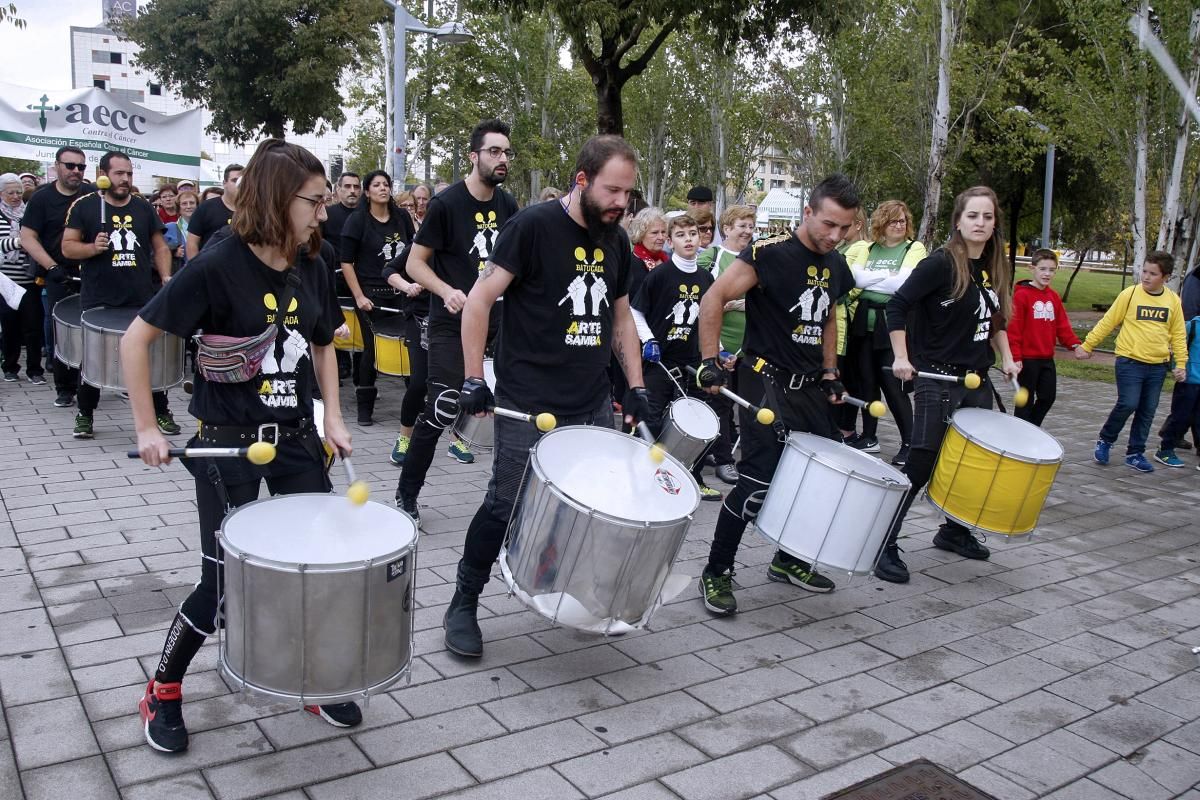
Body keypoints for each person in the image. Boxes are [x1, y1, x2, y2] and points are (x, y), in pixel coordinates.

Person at [124, 139, 356, 753]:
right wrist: (148, 427)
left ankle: (309, 676)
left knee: (315, 566)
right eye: (313, 201)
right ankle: (164, 689)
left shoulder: (315, 258)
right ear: (280, 200)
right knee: (223, 581)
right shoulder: (216, 265)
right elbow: (134, 340)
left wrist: (332, 415)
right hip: (227, 447)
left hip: (299, 443)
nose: (323, 213)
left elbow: (324, 339)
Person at [445, 134, 650, 657]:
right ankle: (463, 602)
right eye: (611, 191)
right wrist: (474, 379)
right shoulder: (531, 228)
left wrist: (637, 386)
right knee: (505, 501)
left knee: (587, 500)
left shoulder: (617, 239)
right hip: (527, 400)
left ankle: (562, 580)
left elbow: (621, 316)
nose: (620, 204)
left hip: (591, 399)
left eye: (627, 194)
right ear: (582, 180)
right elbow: (479, 300)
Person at [694, 175, 861, 615]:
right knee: (757, 482)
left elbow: (826, 318)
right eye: (828, 224)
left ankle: (788, 559)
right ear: (808, 213)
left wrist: (831, 372)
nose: (835, 236)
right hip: (764, 382)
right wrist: (709, 360)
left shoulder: (836, 264)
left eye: (844, 228)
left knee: (813, 480)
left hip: (809, 387)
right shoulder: (768, 254)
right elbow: (713, 297)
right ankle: (716, 571)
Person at [876, 186, 1018, 584]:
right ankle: (884, 542)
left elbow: (994, 319)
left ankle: (953, 530)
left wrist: (1006, 356)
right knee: (921, 462)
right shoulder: (940, 263)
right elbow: (897, 305)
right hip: (937, 378)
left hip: (976, 379)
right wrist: (901, 357)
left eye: (987, 217)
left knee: (969, 464)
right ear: (958, 220)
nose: (981, 223)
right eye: (973, 216)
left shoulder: (992, 265)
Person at [395, 119, 519, 517]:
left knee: (508, 412)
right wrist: (446, 290)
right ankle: (407, 494)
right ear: (473, 155)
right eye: (494, 152)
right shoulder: (446, 205)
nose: (502, 160)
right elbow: (415, 263)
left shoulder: (509, 205)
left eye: (506, 153)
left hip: (499, 325)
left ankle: (505, 499)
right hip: (451, 323)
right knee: (443, 407)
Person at [60, 151, 178, 439]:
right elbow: (67, 247)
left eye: (129, 174)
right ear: (104, 174)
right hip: (98, 296)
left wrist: (165, 276)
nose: (125, 179)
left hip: (139, 296)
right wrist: (91, 248)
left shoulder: (142, 207)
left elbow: (160, 247)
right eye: (119, 173)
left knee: (151, 355)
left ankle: (161, 411)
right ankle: (85, 414)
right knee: (93, 357)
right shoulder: (85, 206)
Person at [632, 213, 721, 500]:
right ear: (671, 241)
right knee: (653, 418)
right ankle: (642, 475)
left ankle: (692, 477)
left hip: (692, 362)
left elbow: (710, 319)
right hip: (660, 361)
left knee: (695, 422)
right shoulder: (659, 275)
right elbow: (635, 312)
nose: (689, 240)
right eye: (681, 235)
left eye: (693, 234)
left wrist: (717, 350)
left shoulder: (707, 278)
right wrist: (648, 340)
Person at [1077, 251, 1187, 473]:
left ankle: (1135, 453)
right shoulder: (1130, 295)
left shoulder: (1173, 300)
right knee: (1128, 403)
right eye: (1144, 271)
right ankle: (1105, 440)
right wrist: (1087, 345)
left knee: (1147, 410)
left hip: (1157, 366)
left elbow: (1178, 334)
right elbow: (1108, 321)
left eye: (1152, 273)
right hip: (1129, 362)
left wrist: (1181, 363)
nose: (1146, 277)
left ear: (1165, 277)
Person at [843, 201, 927, 465]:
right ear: (882, 223)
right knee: (866, 381)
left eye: (903, 221)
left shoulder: (914, 247)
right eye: (894, 221)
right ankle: (869, 436)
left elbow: (904, 283)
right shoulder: (869, 248)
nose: (899, 226)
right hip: (863, 324)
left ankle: (910, 442)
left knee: (893, 385)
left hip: (892, 326)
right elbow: (853, 279)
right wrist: (886, 277)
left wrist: (870, 277)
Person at [339, 169, 415, 424]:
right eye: (376, 185)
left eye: (386, 184)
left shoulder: (402, 217)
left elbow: (414, 252)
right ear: (367, 191)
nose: (383, 188)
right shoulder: (358, 220)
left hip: (401, 292)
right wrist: (359, 296)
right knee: (371, 350)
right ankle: (365, 409)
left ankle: (414, 403)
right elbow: (346, 262)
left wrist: (412, 285)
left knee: (410, 345)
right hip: (371, 295)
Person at [20, 146, 93, 408]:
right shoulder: (41, 198)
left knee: (92, 331)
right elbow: (27, 237)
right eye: (70, 165)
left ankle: (91, 383)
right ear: (57, 166)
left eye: (81, 167)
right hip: (57, 273)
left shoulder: (92, 194)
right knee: (61, 331)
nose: (76, 171)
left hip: (90, 272)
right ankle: (64, 387)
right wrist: (51, 267)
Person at [696, 205, 757, 486]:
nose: (747, 231)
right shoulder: (713, 255)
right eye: (741, 225)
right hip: (719, 342)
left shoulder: (758, 256)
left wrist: (745, 304)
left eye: (750, 226)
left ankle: (751, 460)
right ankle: (723, 460)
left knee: (748, 404)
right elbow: (701, 295)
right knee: (719, 403)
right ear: (727, 228)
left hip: (749, 344)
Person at [1008, 249, 1081, 427]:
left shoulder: (1053, 296)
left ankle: (1031, 430)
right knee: (1024, 401)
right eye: (1043, 269)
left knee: (1048, 397)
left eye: (1051, 270)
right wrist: (1015, 357)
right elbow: (1014, 330)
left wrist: (1075, 345)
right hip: (1026, 360)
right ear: (1031, 268)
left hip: (1046, 359)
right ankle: (1019, 435)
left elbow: (1062, 326)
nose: (1047, 274)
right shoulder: (1021, 295)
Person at [383, 241, 430, 466]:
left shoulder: (461, 244)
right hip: (420, 319)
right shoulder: (421, 245)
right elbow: (389, 270)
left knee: (456, 384)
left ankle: (457, 440)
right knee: (419, 383)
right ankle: (404, 438)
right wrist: (406, 286)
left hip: (454, 319)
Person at [1154, 261, 1200, 467]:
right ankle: (1166, 447)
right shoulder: (1196, 277)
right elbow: (1182, 333)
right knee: (1182, 412)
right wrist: (1179, 364)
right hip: (1191, 372)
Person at [1, 173, 44, 384]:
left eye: (19, 192)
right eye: (11, 193)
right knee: (9, 325)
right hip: (6, 281)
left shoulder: (29, 213)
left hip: (29, 279)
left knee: (33, 325)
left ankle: (35, 370)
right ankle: (10, 366)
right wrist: (19, 242)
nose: (16, 196)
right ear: (1, 194)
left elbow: (39, 240)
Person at [187, 164, 243, 258]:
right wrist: (197, 269)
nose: (239, 184)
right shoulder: (205, 207)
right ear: (224, 183)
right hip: (210, 268)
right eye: (234, 180)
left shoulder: (252, 210)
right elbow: (192, 243)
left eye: (242, 181)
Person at [322, 172, 361, 258]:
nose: (352, 191)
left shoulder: (369, 214)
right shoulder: (326, 215)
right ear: (338, 189)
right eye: (347, 186)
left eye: (356, 187)